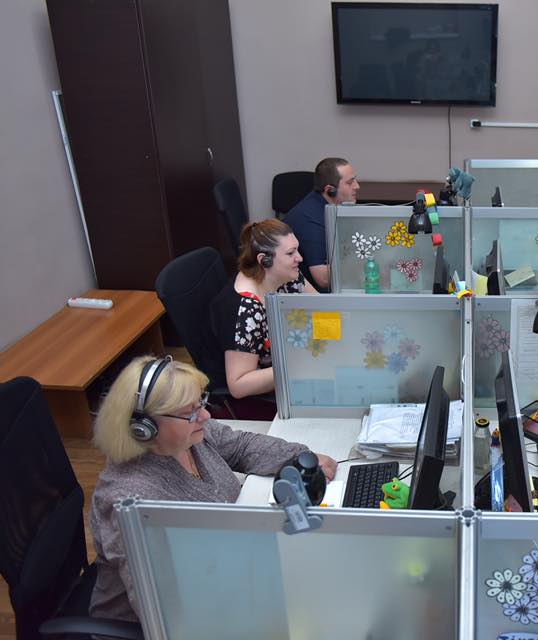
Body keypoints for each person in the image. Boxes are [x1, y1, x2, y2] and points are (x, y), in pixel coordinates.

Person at [89, 355, 337, 623]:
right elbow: (168, 606)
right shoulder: (131, 499)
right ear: (144, 428)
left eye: (202, 403)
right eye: (190, 412)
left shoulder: (190, 436)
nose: (205, 415)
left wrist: (298, 457)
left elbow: (241, 446)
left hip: (231, 571)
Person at [211, 219, 317, 400]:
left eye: (297, 250)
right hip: (270, 394)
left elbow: (322, 308)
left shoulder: (286, 274)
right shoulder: (246, 311)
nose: (299, 258)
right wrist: (299, 365)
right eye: (290, 253)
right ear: (264, 260)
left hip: (294, 356)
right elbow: (238, 385)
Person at [283, 157, 361, 292]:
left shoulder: (327, 206)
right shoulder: (310, 220)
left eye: (355, 180)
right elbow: (323, 278)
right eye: (350, 182)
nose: (357, 186)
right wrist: (368, 262)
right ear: (330, 190)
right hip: (310, 296)